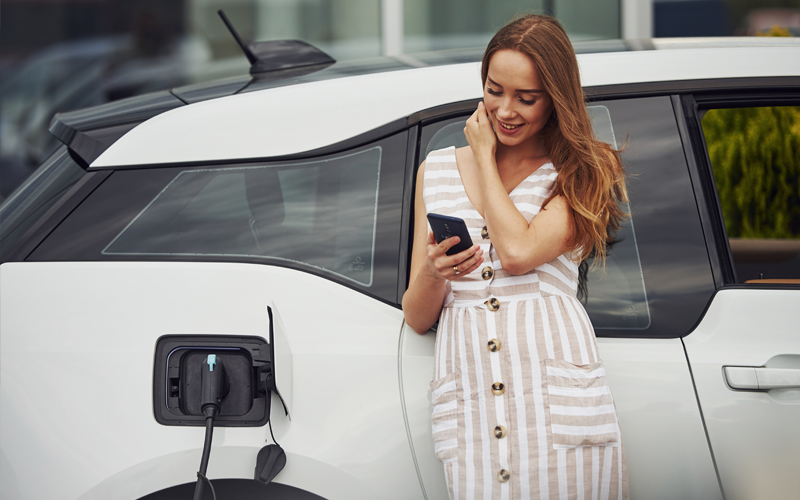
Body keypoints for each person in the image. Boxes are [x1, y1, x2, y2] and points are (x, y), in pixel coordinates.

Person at [402, 14, 629, 500]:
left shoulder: (583, 169)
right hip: (471, 397)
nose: (506, 110)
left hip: (553, 396)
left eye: (527, 98)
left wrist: (483, 157)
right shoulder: (436, 169)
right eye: (494, 90)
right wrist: (433, 271)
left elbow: (519, 252)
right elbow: (417, 316)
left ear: (557, 98)